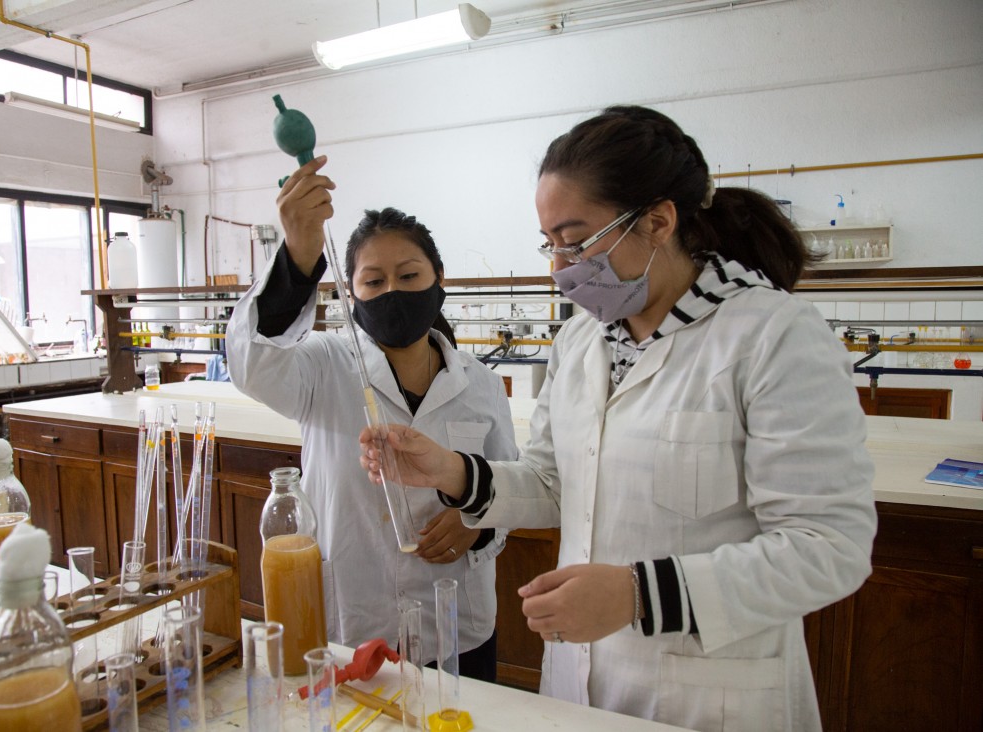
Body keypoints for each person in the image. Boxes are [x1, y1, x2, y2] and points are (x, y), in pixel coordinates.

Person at [360, 106, 877, 730]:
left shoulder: (772, 335)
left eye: (576, 241)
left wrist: (639, 595)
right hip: (579, 684)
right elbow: (554, 484)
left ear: (658, 221)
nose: (559, 267)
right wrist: (451, 471)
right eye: (550, 243)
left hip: (711, 697)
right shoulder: (582, 343)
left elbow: (830, 547)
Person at [226, 156, 517, 682]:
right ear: (349, 292)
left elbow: (511, 486)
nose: (392, 292)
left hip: (458, 623)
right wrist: (297, 254)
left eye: (409, 276)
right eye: (373, 280)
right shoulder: (321, 364)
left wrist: (479, 525)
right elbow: (252, 362)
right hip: (357, 621)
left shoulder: (480, 382)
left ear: (439, 279)